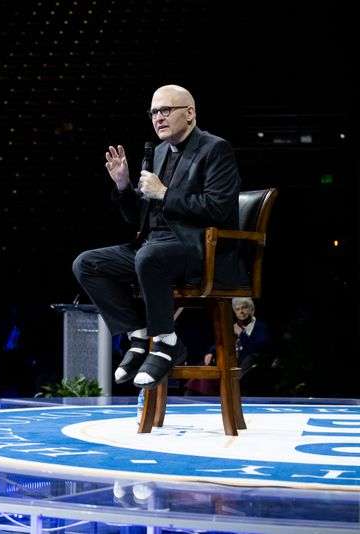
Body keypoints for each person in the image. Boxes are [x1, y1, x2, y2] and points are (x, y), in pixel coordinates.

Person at [73, 84, 244, 389]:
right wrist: (124, 187)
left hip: (198, 249)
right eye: (153, 112)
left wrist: (164, 193)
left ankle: (167, 342)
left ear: (189, 113)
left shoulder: (216, 149)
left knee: (149, 257)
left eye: (166, 110)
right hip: (154, 246)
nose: (158, 118)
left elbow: (218, 209)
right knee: (87, 263)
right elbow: (138, 217)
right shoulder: (159, 151)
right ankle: (138, 333)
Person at [186, 297, 271, 395]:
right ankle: (194, 395)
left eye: (244, 308)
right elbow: (220, 342)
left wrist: (242, 335)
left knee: (247, 361)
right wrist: (211, 352)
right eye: (238, 309)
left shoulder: (260, 327)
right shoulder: (232, 326)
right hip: (230, 360)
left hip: (247, 362)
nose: (241, 312)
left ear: (251, 309)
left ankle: (228, 395)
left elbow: (258, 348)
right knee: (205, 367)